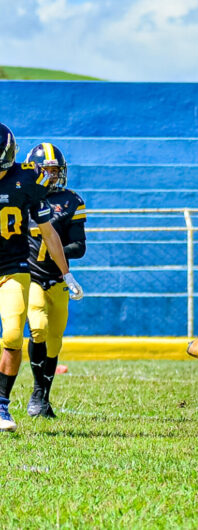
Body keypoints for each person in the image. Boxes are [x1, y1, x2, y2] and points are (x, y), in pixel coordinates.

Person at [0, 124, 83, 432]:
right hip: (22, 272)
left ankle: (11, 404)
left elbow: (51, 233)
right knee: (29, 330)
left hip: (14, 269)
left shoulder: (28, 181)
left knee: (19, 336)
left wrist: (66, 272)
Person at [24, 143, 87, 419]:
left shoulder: (71, 200)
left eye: (54, 171)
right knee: (37, 328)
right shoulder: (22, 196)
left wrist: (56, 250)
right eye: (45, 170)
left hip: (58, 278)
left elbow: (79, 246)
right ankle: (38, 392)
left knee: (54, 341)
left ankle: (43, 397)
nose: (51, 176)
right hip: (30, 276)